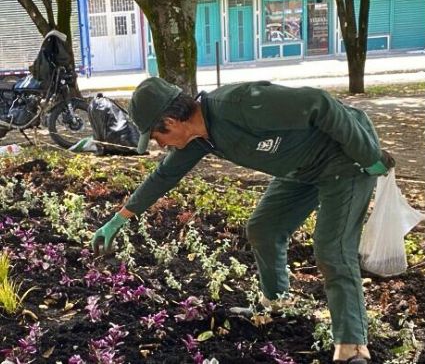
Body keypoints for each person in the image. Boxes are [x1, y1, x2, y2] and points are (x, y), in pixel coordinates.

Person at [88, 77, 393, 364]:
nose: (161, 145)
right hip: (300, 171)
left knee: (332, 249)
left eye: (157, 137)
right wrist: (117, 220)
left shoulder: (241, 104)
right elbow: (164, 175)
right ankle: (276, 302)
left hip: (345, 160)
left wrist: (368, 155)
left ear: (170, 121)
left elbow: (320, 103)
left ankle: (353, 345)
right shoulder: (199, 138)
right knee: (263, 228)